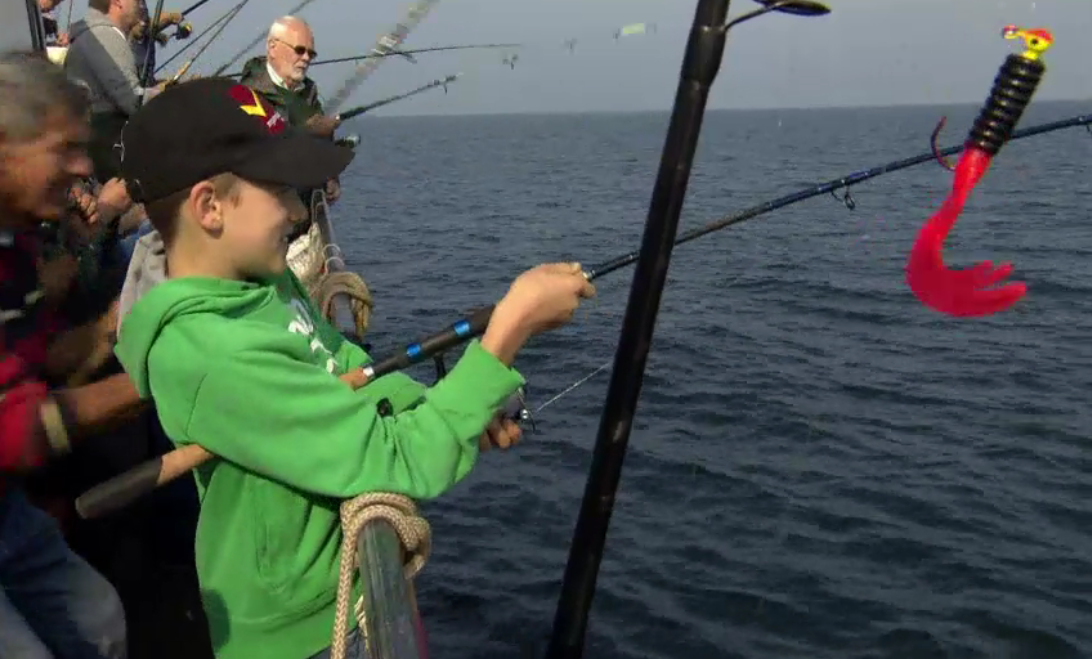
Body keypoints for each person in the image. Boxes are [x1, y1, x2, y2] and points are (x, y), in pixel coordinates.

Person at [112, 77, 594, 659]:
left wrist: (446, 406)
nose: (296, 211)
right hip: (303, 635)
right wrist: (508, 330)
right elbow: (398, 460)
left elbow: (347, 365)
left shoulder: (265, 285)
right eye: (280, 191)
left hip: (343, 590)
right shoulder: (213, 355)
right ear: (209, 207)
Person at [0, 50, 140, 659]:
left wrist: (115, 327)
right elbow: (12, 427)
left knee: (100, 623)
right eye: (65, 149)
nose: (84, 167)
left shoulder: (22, 241)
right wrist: (162, 379)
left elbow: (43, 362)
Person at [240, 15, 341, 204]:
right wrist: (308, 130)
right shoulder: (245, 94)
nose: (306, 58)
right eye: (299, 50)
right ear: (272, 47)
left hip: (301, 212)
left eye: (311, 53)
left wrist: (331, 177)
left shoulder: (308, 92)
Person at [64, 0, 165, 182]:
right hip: (106, 150)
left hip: (94, 142)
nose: (141, 5)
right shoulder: (105, 36)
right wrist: (166, 94)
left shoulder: (94, 34)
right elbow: (132, 100)